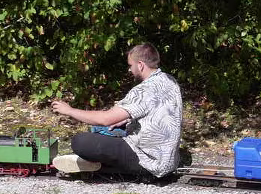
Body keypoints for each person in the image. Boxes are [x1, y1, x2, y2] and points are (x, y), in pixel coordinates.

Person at [49, 43, 183, 178]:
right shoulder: (169, 81)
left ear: (140, 65)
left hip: (148, 161)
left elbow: (105, 119)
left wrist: (70, 110)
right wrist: (128, 119)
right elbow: (156, 110)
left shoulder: (143, 90)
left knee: (80, 141)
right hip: (168, 159)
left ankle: (103, 166)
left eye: (130, 65)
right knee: (109, 128)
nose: (129, 70)